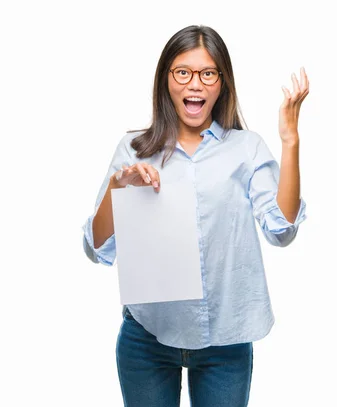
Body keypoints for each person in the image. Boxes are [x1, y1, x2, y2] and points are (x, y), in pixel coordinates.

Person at [82, 24, 309, 407]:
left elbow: (282, 229)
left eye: (207, 73)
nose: (195, 84)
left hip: (226, 341)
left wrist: (290, 142)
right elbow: (97, 249)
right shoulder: (134, 149)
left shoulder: (247, 148)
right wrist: (119, 189)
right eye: (183, 72)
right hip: (147, 339)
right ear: (166, 80)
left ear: (222, 83)